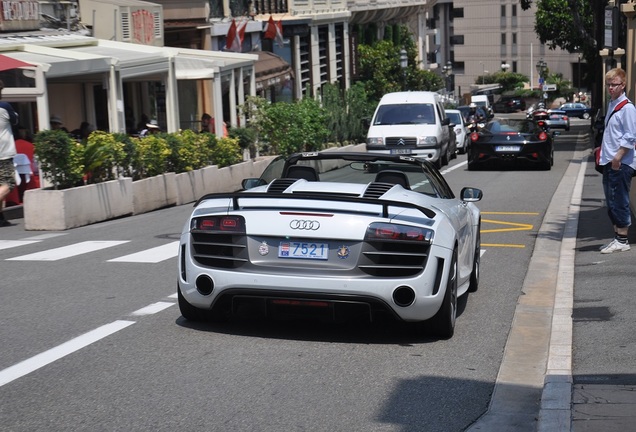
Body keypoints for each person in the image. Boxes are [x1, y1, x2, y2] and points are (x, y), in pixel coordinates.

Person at [598, 67, 636, 254]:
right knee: (611, 201)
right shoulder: (612, 104)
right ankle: (617, 238)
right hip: (609, 161)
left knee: (619, 200)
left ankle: (622, 240)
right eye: (609, 84)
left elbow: (630, 136)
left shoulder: (627, 108)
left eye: (615, 84)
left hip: (620, 162)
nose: (611, 88)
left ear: (623, 85)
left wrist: (618, 157)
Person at [0, 80, 19, 227]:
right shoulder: (4, 107)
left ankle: (0, 218)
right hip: (3, 153)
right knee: (8, 183)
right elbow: (15, 120)